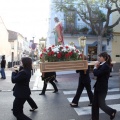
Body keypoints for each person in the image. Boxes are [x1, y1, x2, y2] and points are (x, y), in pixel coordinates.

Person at [91, 52, 116, 120]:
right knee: (94, 104)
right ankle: (94, 118)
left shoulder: (106, 66)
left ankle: (112, 112)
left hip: (102, 88)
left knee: (101, 104)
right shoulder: (102, 65)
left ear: (104, 58)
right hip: (98, 87)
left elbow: (97, 73)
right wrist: (97, 67)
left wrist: (95, 67)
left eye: (100, 57)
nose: (99, 58)